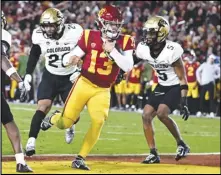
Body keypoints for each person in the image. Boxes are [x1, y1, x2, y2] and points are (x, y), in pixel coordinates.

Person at [40, 5, 134, 170]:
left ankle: (80, 158)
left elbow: (128, 66)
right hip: (83, 83)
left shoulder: (125, 40)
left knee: (98, 121)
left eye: (117, 24)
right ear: (101, 23)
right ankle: (55, 117)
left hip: (103, 89)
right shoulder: (89, 35)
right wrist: (71, 58)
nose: (115, 27)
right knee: (65, 123)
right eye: (111, 23)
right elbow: (72, 55)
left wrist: (113, 51)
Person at [24, 7, 83, 156]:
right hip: (50, 75)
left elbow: (86, 50)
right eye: (46, 26)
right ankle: (31, 140)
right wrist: (28, 74)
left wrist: (79, 70)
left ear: (60, 24)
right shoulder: (39, 36)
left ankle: (69, 125)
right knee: (43, 106)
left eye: (52, 25)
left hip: (69, 77)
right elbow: (34, 54)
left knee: (74, 115)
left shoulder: (74, 32)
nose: (48, 29)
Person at [135, 16, 190, 164]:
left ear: (162, 33)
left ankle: (181, 144)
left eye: (152, 33)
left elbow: (182, 78)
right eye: (147, 32)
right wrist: (120, 70)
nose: (148, 36)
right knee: (146, 115)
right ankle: (153, 153)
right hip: (161, 85)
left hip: (175, 86)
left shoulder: (171, 50)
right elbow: (132, 60)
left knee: (161, 113)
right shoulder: (144, 48)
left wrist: (184, 100)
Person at [1, 11, 33, 173]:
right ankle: (20, 162)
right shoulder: (3, 34)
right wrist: (19, 81)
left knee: (8, 120)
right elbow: (1, 58)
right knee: (8, 121)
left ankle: (21, 162)